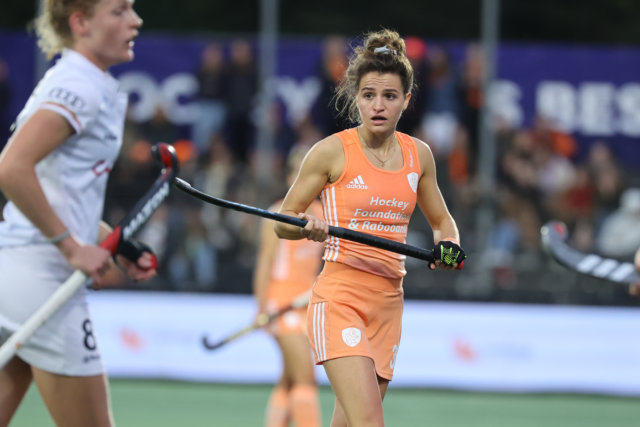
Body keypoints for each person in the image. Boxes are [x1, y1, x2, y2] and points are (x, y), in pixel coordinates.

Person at [274, 29, 466, 426]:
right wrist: (306, 226)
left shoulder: (420, 156)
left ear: (406, 100)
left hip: (388, 304)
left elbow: (442, 222)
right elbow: (284, 222)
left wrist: (449, 244)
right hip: (339, 299)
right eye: (368, 95)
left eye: (390, 96)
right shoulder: (329, 152)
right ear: (355, 97)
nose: (378, 106)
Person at [0, 1, 154, 426]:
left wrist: (118, 244)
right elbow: (11, 168)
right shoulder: (79, 86)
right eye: (119, 11)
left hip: (18, 270)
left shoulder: (82, 81)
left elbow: (57, 193)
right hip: (42, 277)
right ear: (80, 23)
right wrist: (71, 248)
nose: (135, 20)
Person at [254, 144, 324, 427]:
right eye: (298, 173)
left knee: (289, 380)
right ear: (289, 177)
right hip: (281, 304)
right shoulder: (277, 212)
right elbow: (265, 263)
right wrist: (261, 307)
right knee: (305, 378)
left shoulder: (323, 215)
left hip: (307, 304)